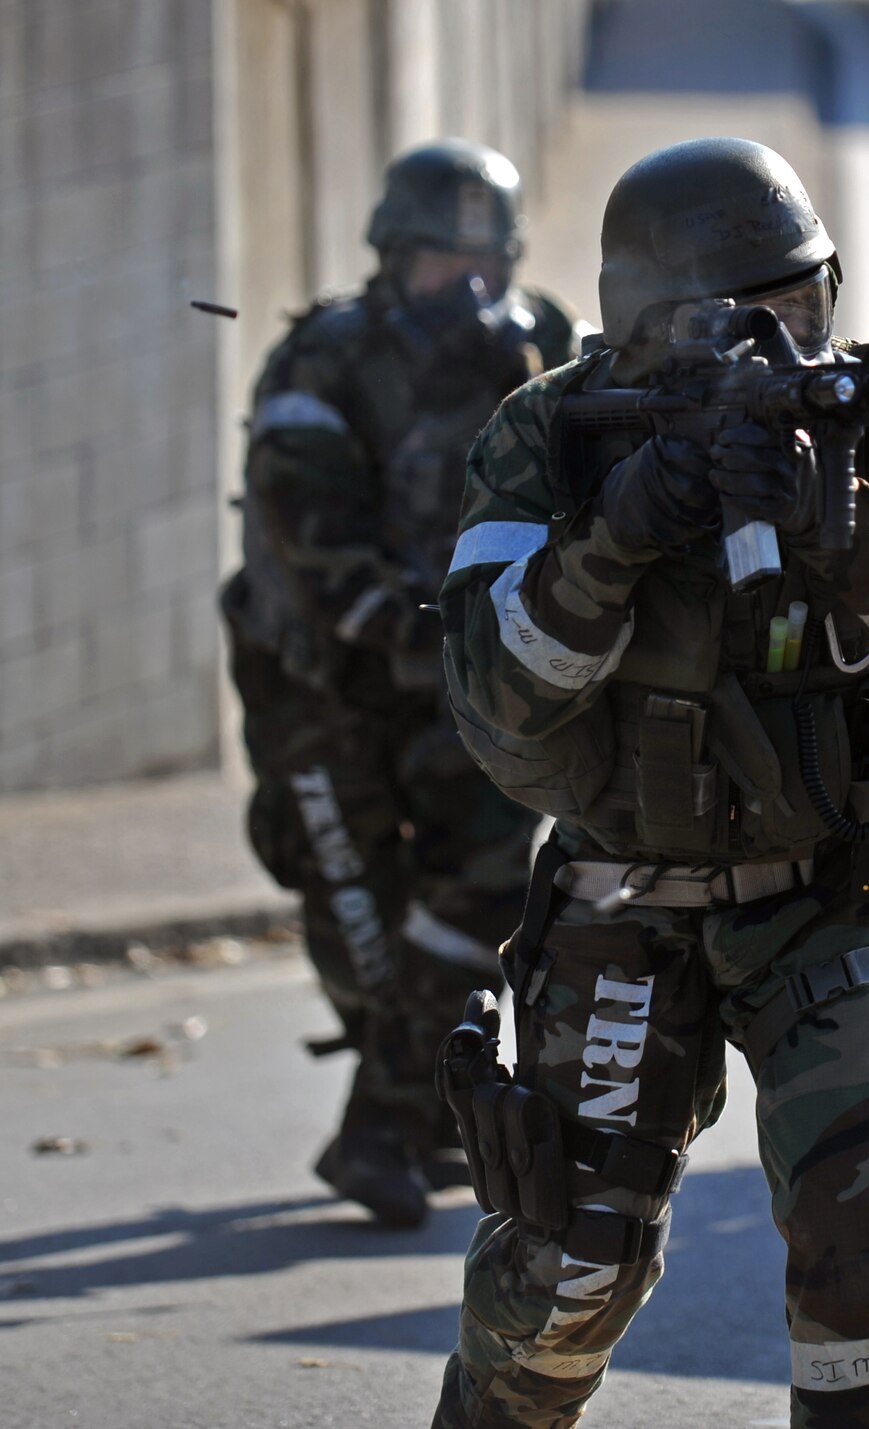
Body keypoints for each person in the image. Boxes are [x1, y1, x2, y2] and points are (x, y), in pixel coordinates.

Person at [429, 137, 869, 1429]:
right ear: (639, 324)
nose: (773, 343)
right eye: (727, 316)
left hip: (828, 895)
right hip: (619, 889)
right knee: (567, 1268)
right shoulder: (550, 439)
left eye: (797, 305)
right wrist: (622, 533)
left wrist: (845, 524)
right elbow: (497, 685)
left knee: (867, 1265)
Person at [221, 139, 581, 1227]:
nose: (466, 286)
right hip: (323, 688)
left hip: (460, 680)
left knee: (476, 899)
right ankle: (412, 1108)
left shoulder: (538, 347)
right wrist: (435, 636)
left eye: (488, 260)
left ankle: (383, 1127)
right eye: (439, 259)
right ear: (391, 253)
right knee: (359, 918)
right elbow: (316, 543)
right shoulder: (322, 361)